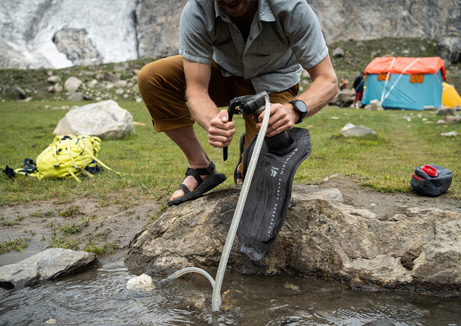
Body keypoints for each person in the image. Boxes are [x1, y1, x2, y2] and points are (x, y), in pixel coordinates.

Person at [138, 0, 338, 206]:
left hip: (273, 85)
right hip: (224, 75)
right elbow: (196, 90)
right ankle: (201, 166)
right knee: (153, 77)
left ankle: (247, 156)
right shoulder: (198, 9)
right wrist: (213, 122)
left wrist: (293, 110)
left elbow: (328, 80)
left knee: (255, 180)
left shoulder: (291, 7)